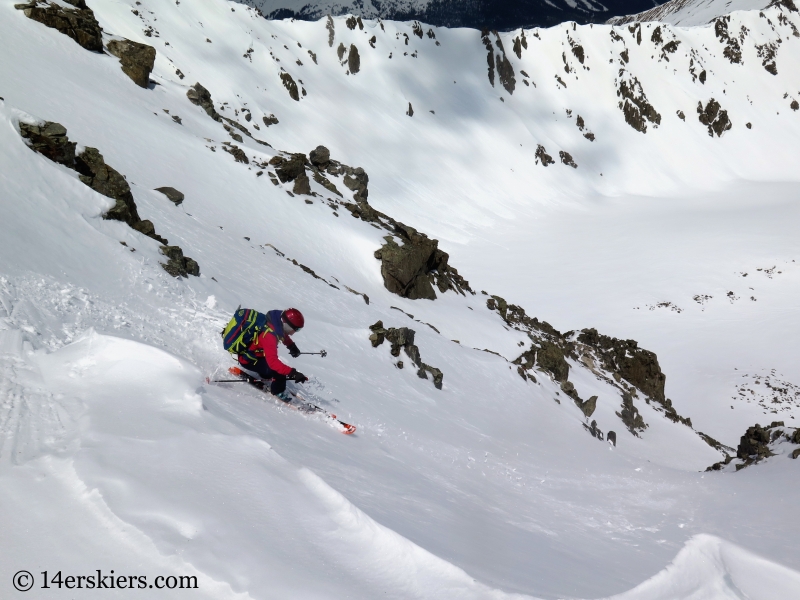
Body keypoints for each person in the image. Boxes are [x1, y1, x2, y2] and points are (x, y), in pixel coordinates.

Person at [237, 308, 308, 401]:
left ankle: (265, 374)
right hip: (248, 360)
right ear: (287, 325)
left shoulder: (275, 323)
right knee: (279, 372)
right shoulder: (269, 336)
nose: (294, 333)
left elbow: (283, 334)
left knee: (271, 371)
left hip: (253, 355)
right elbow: (273, 363)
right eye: (296, 329)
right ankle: (277, 392)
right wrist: (293, 373)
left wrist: (291, 346)